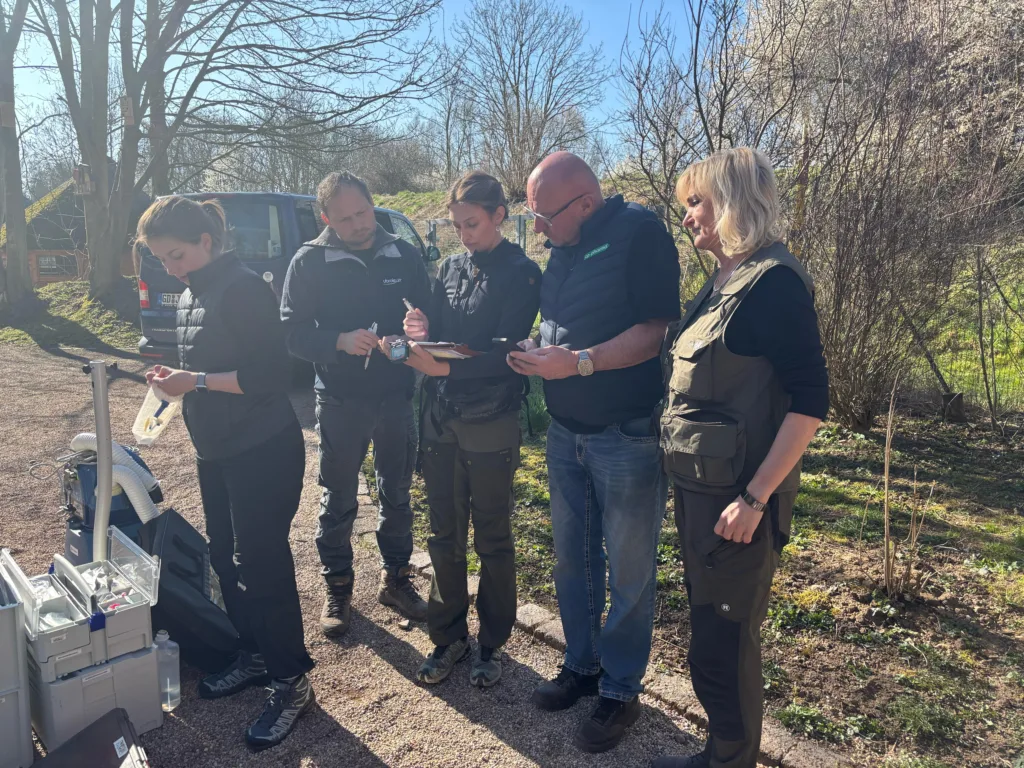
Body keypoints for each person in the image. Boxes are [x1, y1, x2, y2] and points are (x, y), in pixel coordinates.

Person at [651, 148, 829, 768]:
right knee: (709, 642)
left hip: (737, 508)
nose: (688, 218)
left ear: (730, 202)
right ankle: (720, 753)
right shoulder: (725, 279)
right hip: (700, 497)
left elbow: (809, 402)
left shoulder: (773, 283)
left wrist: (755, 499)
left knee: (726, 644)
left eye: (696, 202)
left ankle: (731, 760)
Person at [507, 152, 681, 753]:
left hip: (624, 434)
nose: (537, 229)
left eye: (543, 215)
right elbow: (561, 327)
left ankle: (622, 689)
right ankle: (581, 667)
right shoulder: (563, 244)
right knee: (572, 560)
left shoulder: (642, 235)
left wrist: (578, 363)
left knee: (630, 572)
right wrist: (537, 348)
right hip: (565, 432)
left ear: (584, 202)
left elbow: (654, 331)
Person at [136, 196, 314, 751]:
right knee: (222, 555)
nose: (169, 267)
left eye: (176, 254)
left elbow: (273, 373)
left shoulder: (243, 287)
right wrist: (178, 379)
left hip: (263, 446)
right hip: (215, 447)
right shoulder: (194, 289)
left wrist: (198, 382)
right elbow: (205, 366)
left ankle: (291, 679)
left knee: (260, 561)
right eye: (161, 259)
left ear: (207, 242)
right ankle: (257, 654)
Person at [394, 172, 541, 688]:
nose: (464, 234)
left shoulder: (523, 273)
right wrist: (420, 329)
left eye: (472, 223)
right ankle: (448, 635)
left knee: (494, 537)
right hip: (441, 417)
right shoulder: (450, 267)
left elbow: (509, 354)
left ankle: (492, 644)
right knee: (443, 533)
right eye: (457, 225)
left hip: (492, 416)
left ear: (500, 215)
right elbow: (431, 325)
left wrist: (449, 368)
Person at [280, 172, 432, 636]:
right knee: (338, 497)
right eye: (345, 218)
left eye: (363, 212)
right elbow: (291, 334)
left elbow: (429, 317)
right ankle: (338, 586)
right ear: (326, 218)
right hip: (341, 398)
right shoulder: (308, 262)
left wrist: (419, 328)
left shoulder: (405, 254)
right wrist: (340, 341)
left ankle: (396, 579)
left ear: (373, 204)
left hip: (395, 396)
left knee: (398, 493)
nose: (358, 224)